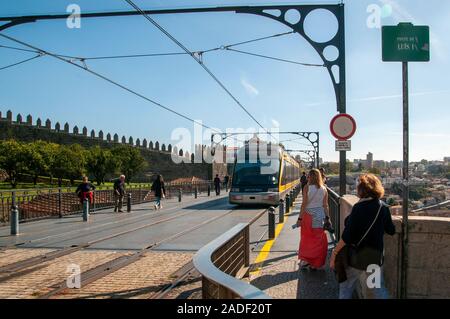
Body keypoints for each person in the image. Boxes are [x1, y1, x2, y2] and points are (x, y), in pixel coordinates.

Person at [330, 173, 396, 299]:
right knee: (378, 289)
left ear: (361, 189)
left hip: (357, 257)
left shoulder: (358, 208)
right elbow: (391, 230)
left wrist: (335, 253)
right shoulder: (384, 208)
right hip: (374, 258)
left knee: (346, 287)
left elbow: (347, 236)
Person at [297, 169, 331, 270]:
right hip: (319, 216)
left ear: (309, 177)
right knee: (318, 239)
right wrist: (327, 218)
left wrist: (300, 218)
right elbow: (326, 205)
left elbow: (304, 204)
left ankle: (307, 260)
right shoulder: (324, 188)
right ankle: (316, 263)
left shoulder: (307, 187)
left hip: (308, 215)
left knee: (306, 238)